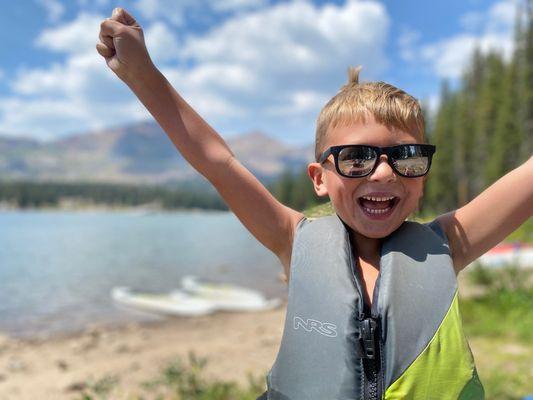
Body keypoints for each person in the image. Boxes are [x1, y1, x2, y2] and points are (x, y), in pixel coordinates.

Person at [97, 7, 532, 400]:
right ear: (319, 179)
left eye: (405, 157)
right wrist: (143, 76)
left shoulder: (449, 244)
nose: (383, 173)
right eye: (357, 157)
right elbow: (218, 162)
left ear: (422, 176)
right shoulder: (292, 238)